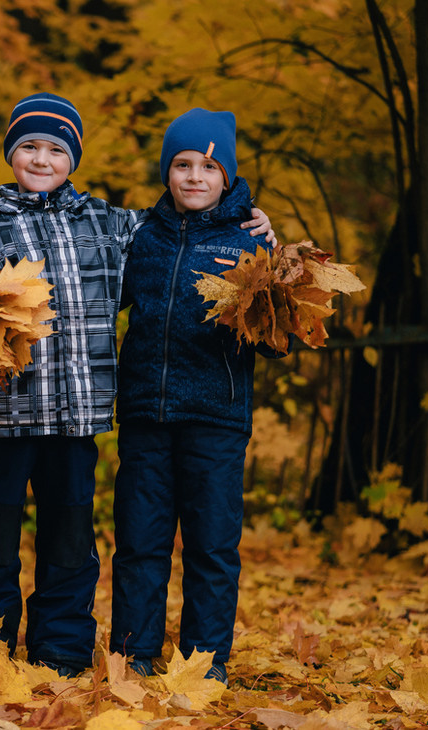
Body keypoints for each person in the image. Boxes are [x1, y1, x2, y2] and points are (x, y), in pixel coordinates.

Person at [0, 94, 274, 678]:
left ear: (73, 159)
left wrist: (258, 226)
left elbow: (190, 231)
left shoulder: (110, 225)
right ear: (10, 154)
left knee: (70, 545)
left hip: (77, 417)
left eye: (55, 149)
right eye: (29, 147)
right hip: (3, 414)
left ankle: (63, 652)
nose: (41, 159)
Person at [110, 107, 284, 684]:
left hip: (216, 417)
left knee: (211, 547)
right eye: (182, 164)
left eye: (209, 167)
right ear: (167, 171)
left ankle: (204, 662)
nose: (194, 177)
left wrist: (274, 287)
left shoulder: (250, 241)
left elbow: (278, 341)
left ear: (226, 177)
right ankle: (133, 655)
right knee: (140, 542)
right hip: (146, 413)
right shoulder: (142, 237)